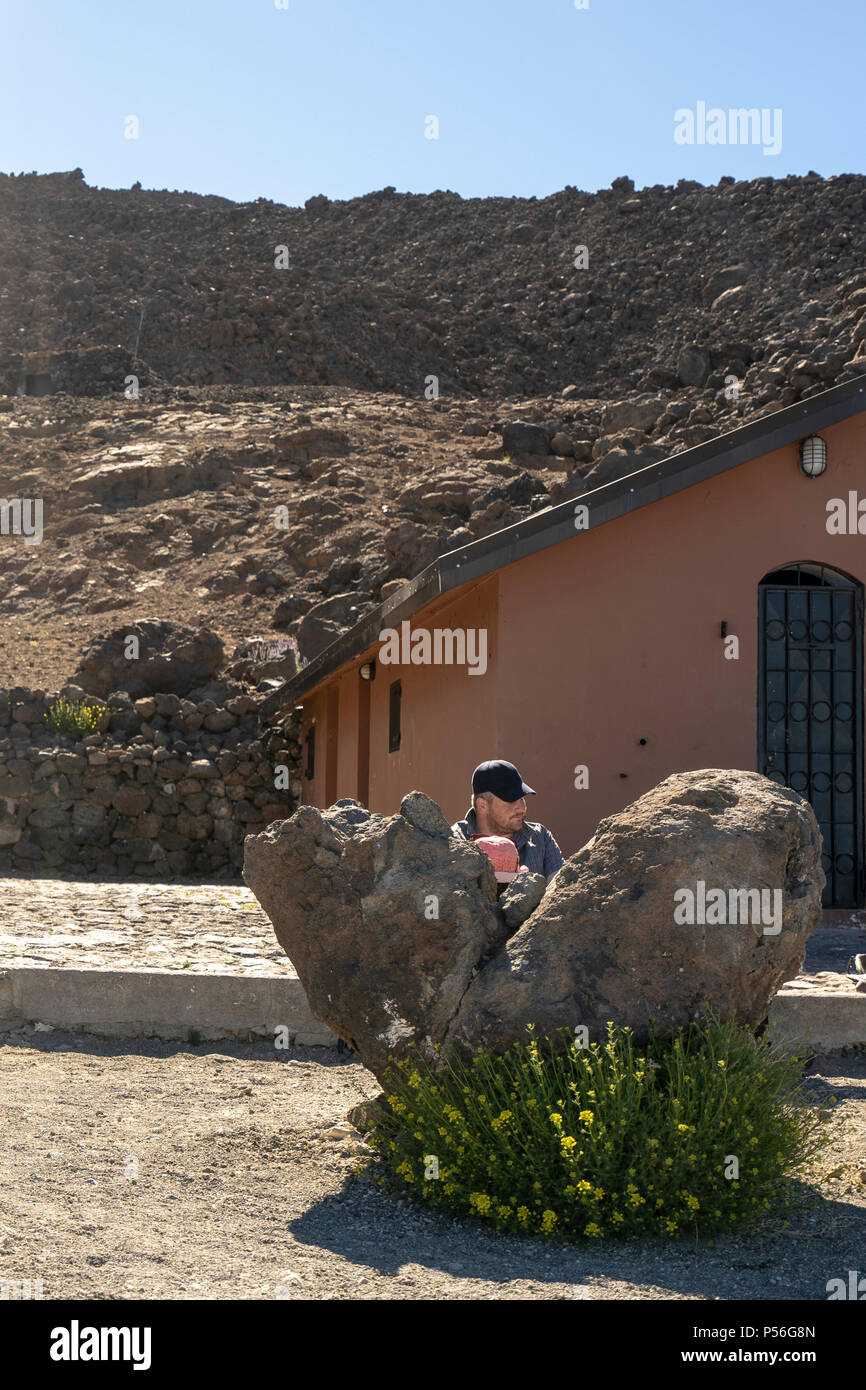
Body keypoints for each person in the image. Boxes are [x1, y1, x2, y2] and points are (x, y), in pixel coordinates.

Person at [451, 759, 564, 882]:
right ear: (482, 805)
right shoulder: (455, 840)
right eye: (511, 801)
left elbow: (561, 889)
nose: (522, 809)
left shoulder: (540, 837)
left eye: (522, 799)